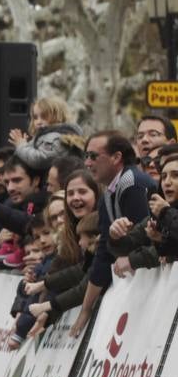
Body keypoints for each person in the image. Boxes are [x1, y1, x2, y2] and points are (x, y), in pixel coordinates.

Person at [76, 130, 160, 332]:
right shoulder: (109, 190)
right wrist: (86, 309)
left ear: (116, 157)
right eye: (86, 156)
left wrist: (129, 259)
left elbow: (146, 240)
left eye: (94, 156)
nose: (88, 163)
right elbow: (104, 251)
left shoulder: (132, 183)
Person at [9, 97, 83, 172]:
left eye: (44, 117)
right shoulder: (44, 136)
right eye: (35, 117)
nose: (39, 122)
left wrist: (21, 145)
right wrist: (25, 145)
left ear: (58, 115)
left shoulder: (55, 137)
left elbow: (39, 160)